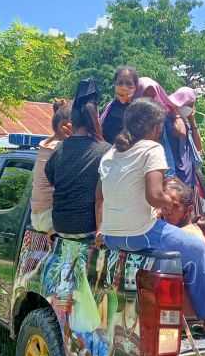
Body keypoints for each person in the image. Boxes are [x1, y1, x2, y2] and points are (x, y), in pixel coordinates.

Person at [97, 98, 205, 336]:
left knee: (169, 249)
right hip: (139, 234)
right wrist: (167, 202)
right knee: (196, 248)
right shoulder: (153, 149)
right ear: (156, 128)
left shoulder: (110, 153)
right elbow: (154, 196)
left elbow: (102, 195)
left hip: (111, 236)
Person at [45, 87, 110, 238]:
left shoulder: (60, 149)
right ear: (95, 119)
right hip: (89, 227)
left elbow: (51, 179)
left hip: (60, 225)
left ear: (72, 121)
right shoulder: (106, 151)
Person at [30, 100, 72, 233]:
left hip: (36, 215)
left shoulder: (45, 145)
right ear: (67, 127)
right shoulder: (60, 149)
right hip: (50, 217)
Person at [100, 66, 139, 144]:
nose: (124, 87)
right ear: (115, 84)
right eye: (120, 83)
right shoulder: (108, 108)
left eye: (129, 84)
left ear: (135, 87)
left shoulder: (138, 111)